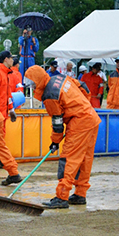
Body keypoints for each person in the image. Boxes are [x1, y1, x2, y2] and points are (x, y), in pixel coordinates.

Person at [24, 65, 101, 208]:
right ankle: (80, 194)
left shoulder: (49, 95)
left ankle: (62, 196)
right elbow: (83, 87)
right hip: (91, 118)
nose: (33, 87)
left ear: (38, 80)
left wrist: (55, 142)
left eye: (33, 83)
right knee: (85, 159)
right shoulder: (59, 77)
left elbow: (57, 123)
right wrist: (84, 105)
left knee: (69, 158)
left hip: (79, 122)